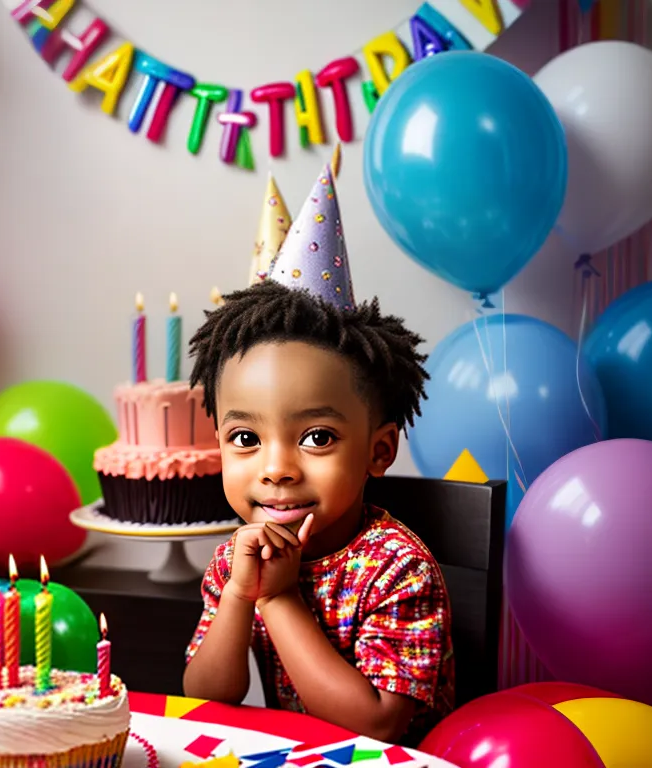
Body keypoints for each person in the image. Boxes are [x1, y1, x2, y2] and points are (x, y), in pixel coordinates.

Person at [182, 165, 454, 746]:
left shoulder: (396, 568)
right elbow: (206, 697)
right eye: (247, 439)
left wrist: (278, 599)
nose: (276, 469)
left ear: (379, 451)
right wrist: (239, 594)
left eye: (317, 438)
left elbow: (378, 726)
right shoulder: (239, 559)